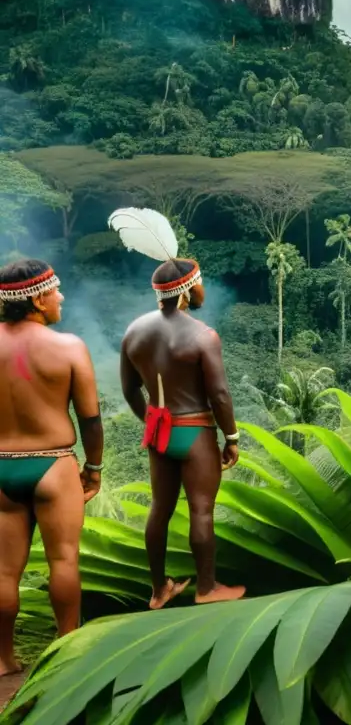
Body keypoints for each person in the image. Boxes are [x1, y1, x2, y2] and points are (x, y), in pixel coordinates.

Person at [110, 207, 244, 609]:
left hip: (160, 433)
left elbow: (129, 389)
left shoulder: (135, 332)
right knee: (201, 510)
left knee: (159, 510)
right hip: (195, 431)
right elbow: (219, 395)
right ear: (186, 291)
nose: (202, 291)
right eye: (199, 285)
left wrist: (151, 423)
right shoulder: (203, 336)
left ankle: (158, 590)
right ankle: (207, 588)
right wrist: (231, 437)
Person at [0, 259, 103, 678]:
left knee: (4, 569)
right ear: (38, 300)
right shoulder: (69, 347)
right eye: (56, 291)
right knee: (63, 560)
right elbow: (90, 419)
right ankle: (65, 653)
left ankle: (3, 659)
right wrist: (93, 467)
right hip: (53, 464)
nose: (61, 297)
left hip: (2, 466)